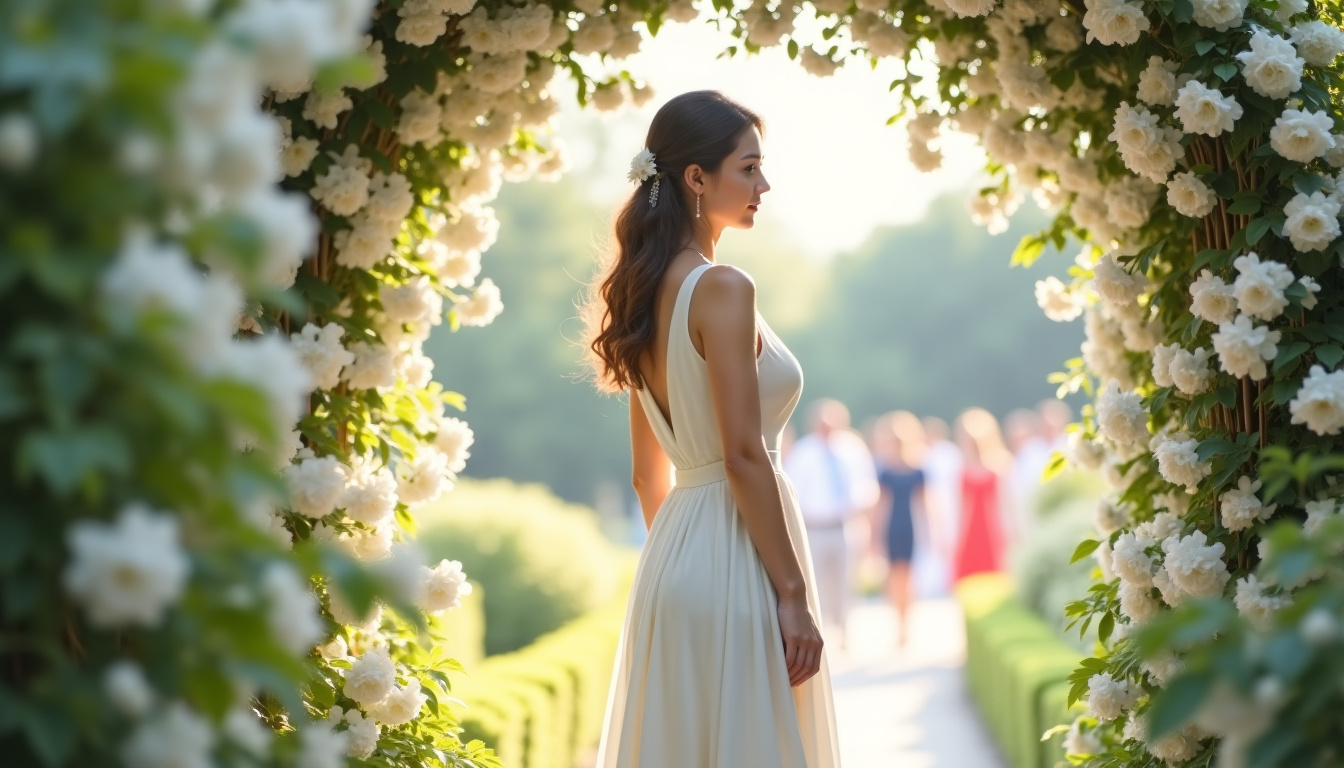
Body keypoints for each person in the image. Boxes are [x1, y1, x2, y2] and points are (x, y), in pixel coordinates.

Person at [582, 91, 840, 768]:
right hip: (738, 558)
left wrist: (685, 560)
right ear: (697, 179)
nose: (764, 185)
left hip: (672, 561)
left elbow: (647, 477)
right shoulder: (723, 287)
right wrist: (789, 595)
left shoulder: (639, 294)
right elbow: (744, 455)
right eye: (748, 168)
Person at [783, 399, 879, 649]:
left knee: (847, 580)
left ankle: (846, 631)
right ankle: (821, 631)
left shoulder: (852, 449)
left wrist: (857, 503)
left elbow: (868, 485)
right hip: (815, 527)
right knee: (817, 582)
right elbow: (793, 491)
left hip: (845, 524)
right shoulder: (804, 453)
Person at [870, 411, 928, 648]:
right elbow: (881, 505)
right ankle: (898, 624)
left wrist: (930, 533)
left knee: (908, 576)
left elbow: (924, 504)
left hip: (909, 526)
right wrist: (875, 534)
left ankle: (906, 624)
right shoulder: (885, 471)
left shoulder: (918, 470)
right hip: (893, 526)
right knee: (894, 577)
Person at [953, 408, 1014, 580]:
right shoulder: (959, 466)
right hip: (969, 529)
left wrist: (1010, 533)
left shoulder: (1000, 464)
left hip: (992, 528)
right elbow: (958, 506)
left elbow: (1006, 504)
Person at [915, 415, 961, 597]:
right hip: (928, 507)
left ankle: (949, 582)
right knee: (928, 545)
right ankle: (929, 586)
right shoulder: (921, 454)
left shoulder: (950, 453)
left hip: (949, 505)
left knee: (950, 543)